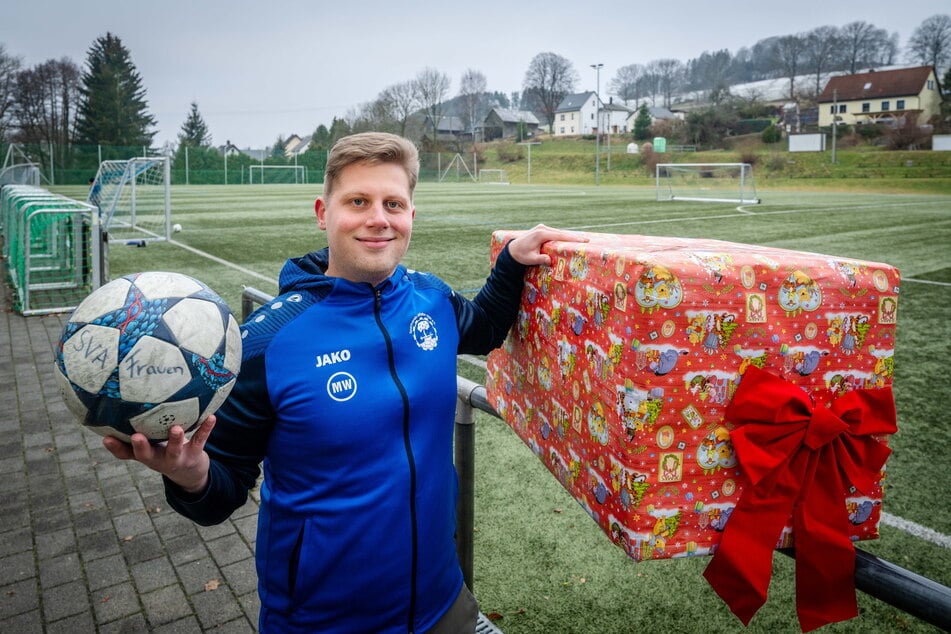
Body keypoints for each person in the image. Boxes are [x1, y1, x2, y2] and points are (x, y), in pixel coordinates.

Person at [104, 131, 581, 633]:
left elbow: (483, 327)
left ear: (411, 216)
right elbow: (221, 493)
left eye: (393, 203)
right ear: (322, 212)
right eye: (358, 201)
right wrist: (188, 472)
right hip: (322, 622)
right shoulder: (267, 345)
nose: (379, 218)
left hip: (444, 604)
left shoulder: (432, 300)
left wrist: (510, 260)